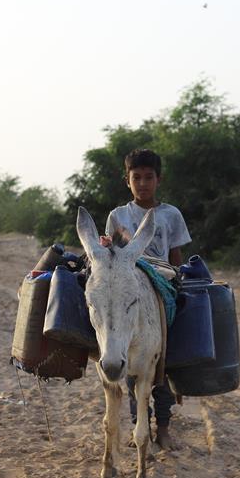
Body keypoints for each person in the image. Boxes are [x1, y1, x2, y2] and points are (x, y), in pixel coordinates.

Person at [104, 148, 191, 451]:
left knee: (163, 363)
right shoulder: (118, 216)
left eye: (148, 177)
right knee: (131, 364)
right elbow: (112, 256)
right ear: (126, 180)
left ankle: (163, 427)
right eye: (136, 177)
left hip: (162, 287)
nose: (142, 183)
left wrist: (179, 283)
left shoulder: (170, 215)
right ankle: (139, 425)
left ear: (158, 179)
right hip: (131, 292)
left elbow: (176, 258)